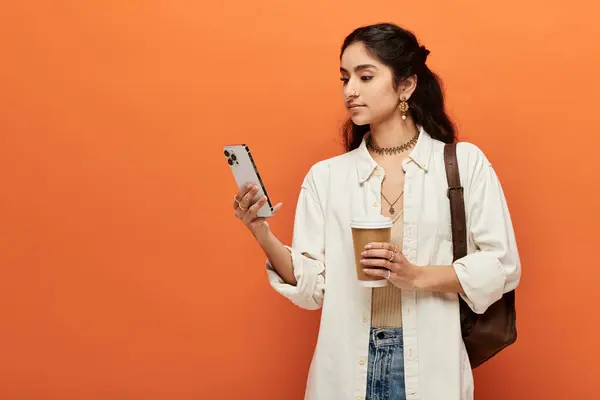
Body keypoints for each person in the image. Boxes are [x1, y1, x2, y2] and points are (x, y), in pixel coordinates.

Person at [232, 22, 521, 400]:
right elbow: (313, 288)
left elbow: (501, 265)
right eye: (344, 78)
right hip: (346, 366)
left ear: (406, 86)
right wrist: (260, 231)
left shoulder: (464, 164)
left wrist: (414, 275)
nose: (350, 90)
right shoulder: (327, 177)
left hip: (431, 365)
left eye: (365, 76)